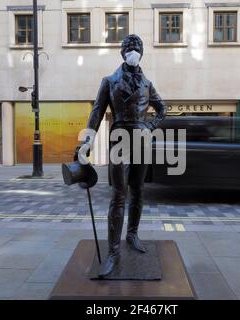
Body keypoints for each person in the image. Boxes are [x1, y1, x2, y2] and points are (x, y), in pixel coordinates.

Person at [75, 34, 167, 277]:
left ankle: (132, 234)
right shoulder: (109, 81)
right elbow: (96, 112)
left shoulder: (147, 84)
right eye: (129, 48)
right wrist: (87, 141)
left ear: (142, 53)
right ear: (122, 52)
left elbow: (163, 108)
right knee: (118, 194)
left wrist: (150, 125)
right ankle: (113, 252)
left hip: (142, 141)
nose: (133, 51)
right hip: (119, 141)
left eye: (137, 48)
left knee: (138, 191)